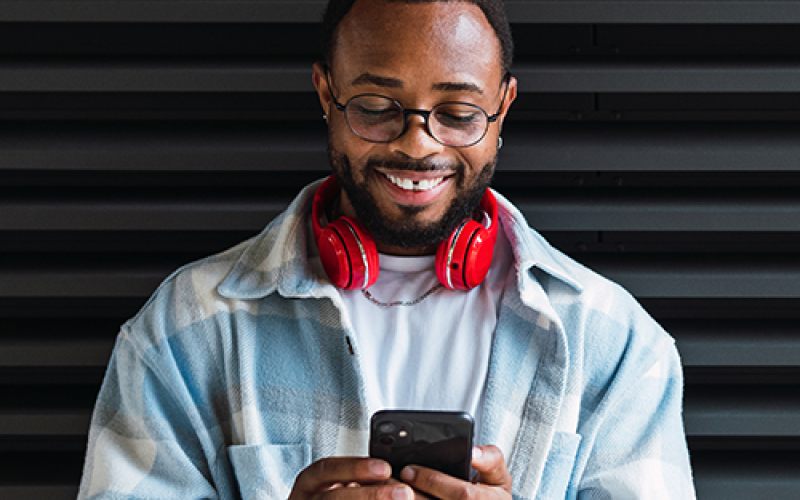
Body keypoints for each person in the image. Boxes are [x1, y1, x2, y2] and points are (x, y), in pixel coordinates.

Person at [77, 0, 696, 499]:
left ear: (503, 106)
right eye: (376, 108)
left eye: (458, 113)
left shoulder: (616, 345)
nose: (417, 146)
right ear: (326, 95)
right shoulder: (184, 330)